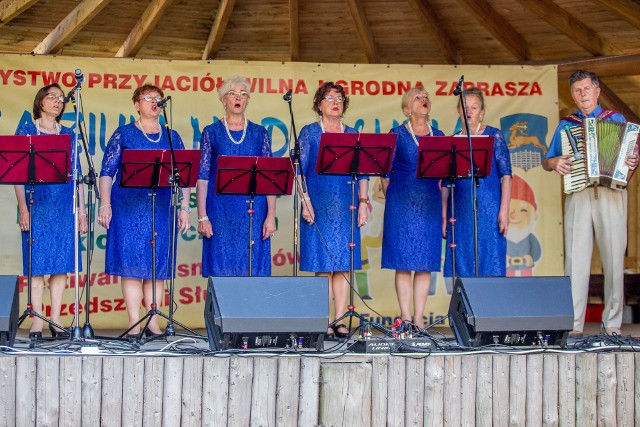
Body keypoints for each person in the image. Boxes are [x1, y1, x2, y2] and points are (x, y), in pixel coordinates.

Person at [542, 69, 639, 337]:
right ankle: (573, 325)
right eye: (577, 90)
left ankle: (613, 324)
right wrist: (554, 162)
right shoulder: (567, 124)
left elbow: (631, 157)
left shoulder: (616, 119)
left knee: (613, 259)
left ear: (597, 92)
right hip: (579, 193)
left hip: (611, 193)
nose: (582, 94)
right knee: (575, 259)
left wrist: (632, 161)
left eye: (586, 89)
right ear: (572, 94)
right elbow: (547, 161)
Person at [99, 84, 191, 338]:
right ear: (136, 104)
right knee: (131, 266)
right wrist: (105, 204)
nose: (154, 102)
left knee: (156, 266)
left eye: (158, 98)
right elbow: (107, 172)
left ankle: (153, 322)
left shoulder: (172, 136)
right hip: (128, 206)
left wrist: (184, 207)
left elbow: (183, 176)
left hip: (160, 206)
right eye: (148, 98)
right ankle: (134, 322)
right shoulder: (124, 134)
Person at [14, 83, 88, 339]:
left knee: (61, 265)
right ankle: (36, 321)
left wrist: (81, 211)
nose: (57, 101)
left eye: (60, 98)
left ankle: (55, 320)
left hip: (62, 208)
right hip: (37, 205)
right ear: (40, 101)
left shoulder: (69, 134)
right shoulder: (26, 129)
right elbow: (17, 174)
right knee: (37, 264)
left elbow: (76, 176)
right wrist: (23, 209)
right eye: (52, 97)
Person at [298, 82, 369, 340]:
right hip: (317, 205)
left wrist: (364, 201)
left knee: (342, 265)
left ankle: (340, 321)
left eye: (339, 98)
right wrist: (305, 200)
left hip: (345, 207)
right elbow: (298, 171)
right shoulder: (309, 133)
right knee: (323, 265)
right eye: (329, 98)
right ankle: (324, 321)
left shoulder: (352, 133)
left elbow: (363, 172)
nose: (335, 102)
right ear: (319, 104)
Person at [196, 76, 276, 276]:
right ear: (223, 100)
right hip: (220, 209)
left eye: (243, 94)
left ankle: (251, 309)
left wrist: (271, 215)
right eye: (232, 93)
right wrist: (202, 216)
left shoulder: (259, 133)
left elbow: (270, 179)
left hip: (254, 209)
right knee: (222, 265)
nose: (238, 98)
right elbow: (202, 177)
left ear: (248, 100)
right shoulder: (211, 132)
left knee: (253, 265)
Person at [381, 87, 444, 330]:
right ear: (407, 109)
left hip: (429, 201)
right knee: (403, 261)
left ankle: (419, 317)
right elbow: (384, 172)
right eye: (417, 98)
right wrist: (392, 197)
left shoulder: (439, 136)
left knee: (425, 261)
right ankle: (405, 316)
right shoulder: (396, 134)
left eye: (425, 97)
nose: (423, 100)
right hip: (401, 202)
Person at [442, 86, 512, 277]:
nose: (470, 111)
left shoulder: (494, 135)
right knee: (463, 263)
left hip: (489, 208)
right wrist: (443, 216)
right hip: (461, 211)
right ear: (459, 110)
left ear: (481, 112)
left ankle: (490, 307)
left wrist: (504, 210)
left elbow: (506, 175)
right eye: (466, 107)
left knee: (491, 261)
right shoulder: (453, 141)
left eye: (475, 107)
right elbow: (446, 184)